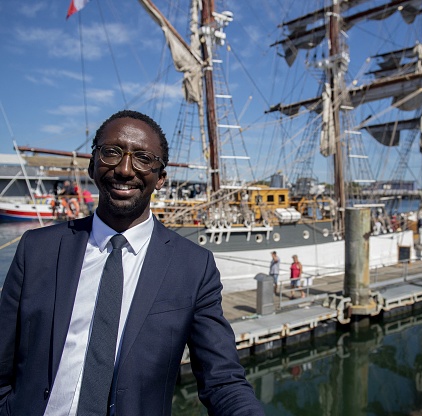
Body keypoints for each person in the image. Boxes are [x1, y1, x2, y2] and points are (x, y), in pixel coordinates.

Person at [0, 110, 264, 416]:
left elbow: (222, 380)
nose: (125, 169)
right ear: (92, 164)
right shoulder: (38, 249)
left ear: (161, 177)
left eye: (143, 158)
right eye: (111, 152)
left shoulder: (193, 267)